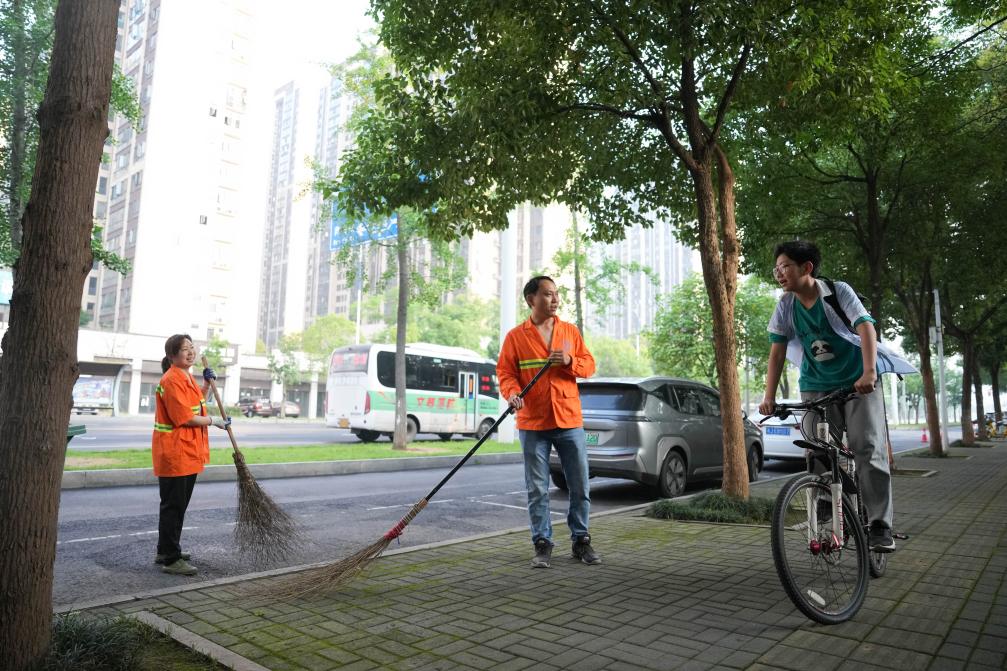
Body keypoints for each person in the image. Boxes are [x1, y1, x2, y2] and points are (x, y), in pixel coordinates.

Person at [759, 241, 915, 553]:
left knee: (866, 447)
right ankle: (828, 504)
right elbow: (776, 354)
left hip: (858, 382)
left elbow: (866, 329)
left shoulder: (838, 291)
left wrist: (869, 372)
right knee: (816, 449)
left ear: (806, 268)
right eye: (776, 268)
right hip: (816, 384)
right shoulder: (786, 305)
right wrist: (769, 396)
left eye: (785, 266)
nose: (779, 273)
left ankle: (880, 524)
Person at [497, 275, 599, 568]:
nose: (555, 299)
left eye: (556, 294)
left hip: (568, 419)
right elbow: (506, 372)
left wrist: (569, 362)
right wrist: (513, 393)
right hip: (532, 422)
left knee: (579, 484)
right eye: (548, 294)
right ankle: (542, 543)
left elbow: (589, 365)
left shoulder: (570, 332)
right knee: (537, 488)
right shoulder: (516, 337)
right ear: (531, 299)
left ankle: (581, 541)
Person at [152, 334, 230, 575]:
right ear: (172, 356)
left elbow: (197, 404)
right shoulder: (172, 380)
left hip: (185, 452)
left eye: (191, 348)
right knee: (173, 507)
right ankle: (171, 559)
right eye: (184, 349)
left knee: (177, 505)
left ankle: (166, 549)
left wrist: (206, 385)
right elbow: (184, 418)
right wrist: (214, 421)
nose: (190, 352)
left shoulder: (184, 376)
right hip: (175, 453)